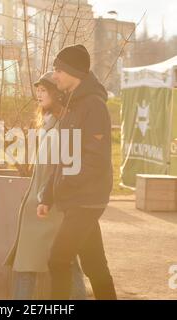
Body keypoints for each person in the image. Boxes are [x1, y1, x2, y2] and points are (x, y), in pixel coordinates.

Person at [37, 44, 117, 300]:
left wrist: (65, 186)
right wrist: (48, 195)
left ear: (74, 72)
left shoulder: (94, 106)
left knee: (58, 260)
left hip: (86, 199)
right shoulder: (73, 105)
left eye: (58, 70)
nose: (54, 75)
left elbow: (96, 160)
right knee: (95, 265)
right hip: (76, 198)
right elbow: (64, 157)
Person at [3, 72, 86, 300]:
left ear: (57, 94)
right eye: (37, 90)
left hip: (51, 207)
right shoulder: (49, 124)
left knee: (48, 264)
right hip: (39, 207)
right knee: (46, 263)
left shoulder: (66, 125)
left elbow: (68, 168)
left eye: (44, 90)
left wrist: (49, 199)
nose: (38, 94)